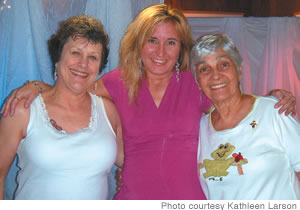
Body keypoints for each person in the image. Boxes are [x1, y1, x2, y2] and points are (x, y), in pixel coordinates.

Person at [0, 4, 297, 199]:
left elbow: (234, 104)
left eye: (171, 42)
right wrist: (36, 85)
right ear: (138, 43)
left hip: (190, 200)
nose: (161, 51)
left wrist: (271, 99)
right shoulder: (117, 82)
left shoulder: (195, 83)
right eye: (152, 40)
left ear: (181, 47)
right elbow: (73, 81)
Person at [0, 15, 123, 200]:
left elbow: (130, 161)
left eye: (93, 57)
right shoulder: (23, 109)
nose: (83, 64)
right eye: (75, 53)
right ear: (57, 57)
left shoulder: (108, 111)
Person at [191, 33, 300, 200]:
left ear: (239, 69)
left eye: (224, 64)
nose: (215, 75)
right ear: (198, 81)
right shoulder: (200, 128)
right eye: (204, 69)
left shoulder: (273, 111)